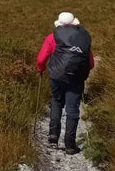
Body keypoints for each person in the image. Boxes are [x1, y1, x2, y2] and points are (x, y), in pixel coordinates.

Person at [36, 12, 95, 155]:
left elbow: (41, 59)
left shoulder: (52, 37)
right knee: (72, 109)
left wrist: (41, 69)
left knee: (56, 101)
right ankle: (70, 144)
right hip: (76, 78)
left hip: (56, 76)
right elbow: (91, 63)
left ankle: (53, 136)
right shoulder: (81, 38)